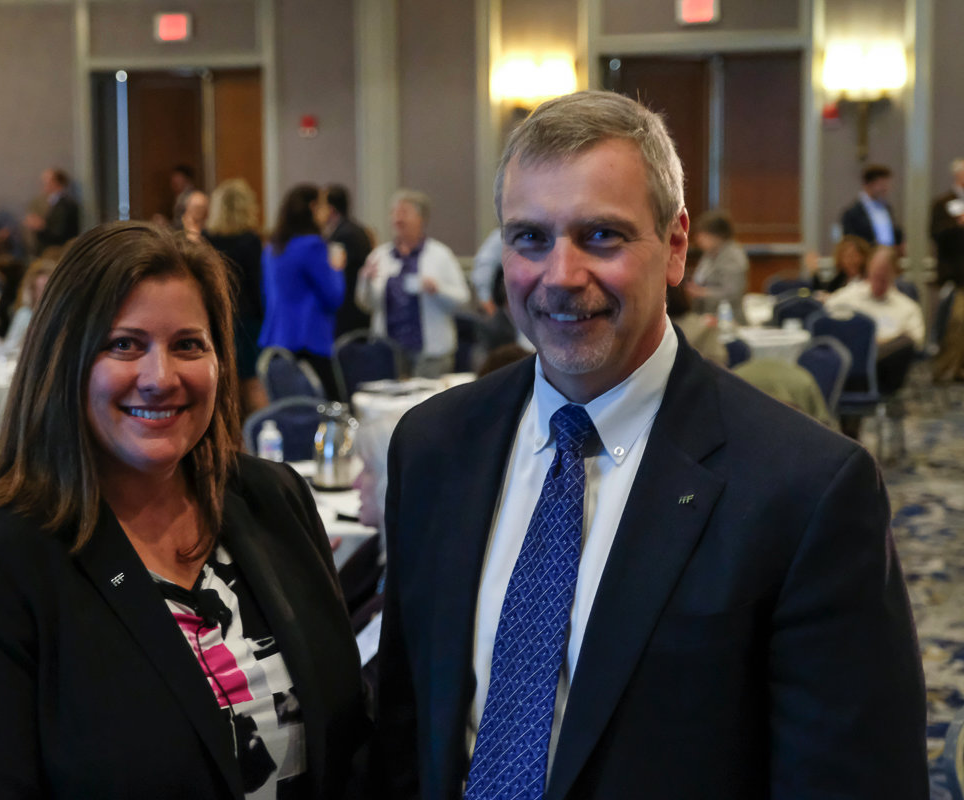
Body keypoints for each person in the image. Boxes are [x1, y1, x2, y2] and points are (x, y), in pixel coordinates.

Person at [372, 90, 926, 799]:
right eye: (530, 238)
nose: (561, 276)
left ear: (675, 247)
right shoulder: (433, 447)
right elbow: (404, 734)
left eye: (601, 235)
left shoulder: (806, 490)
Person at [0, 221, 367, 798]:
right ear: (63, 362)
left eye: (188, 345)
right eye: (124, 344)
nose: (160, 378)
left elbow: (351, 736)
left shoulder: (273, 499)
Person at [355, 190, 469, 378]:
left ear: (421, 219)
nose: (397, 218)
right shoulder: (380, 256)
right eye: (394, 213)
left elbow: (462, 299)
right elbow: (366, 304)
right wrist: (365, 280)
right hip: (389, 352)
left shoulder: (440, 255)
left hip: (431, 353)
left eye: (404, 212)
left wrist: (438, 290)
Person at [825, 246, 924, 436]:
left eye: (884, 276)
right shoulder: (849, 297)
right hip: (848, 371)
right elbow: (826, 314)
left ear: (894, 274)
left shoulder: (906, 307)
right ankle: (850, 435)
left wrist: (877, 344)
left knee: (904, 343)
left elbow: (916, 341)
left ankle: (850, 435)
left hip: (883, 375)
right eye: (875, 275)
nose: (878, 281)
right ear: (869, 270)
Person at [258, 184, 345, 397]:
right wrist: (337, 268)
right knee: (331, 406)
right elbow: (333, 297)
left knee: (289, 408)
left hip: (278, 338)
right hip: (309, 338)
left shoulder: (272, 248)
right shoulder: (312, 245)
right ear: (313, 207)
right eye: (324, 206)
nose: (328, 212)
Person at [204, 178, 267, 416]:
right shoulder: (250, 240)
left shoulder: (207, 237)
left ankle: (228, 432)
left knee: (224, 383)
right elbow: (256, 284)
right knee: (252, 383)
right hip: (247, 318)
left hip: (218, 315)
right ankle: (257, 430)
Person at [320, 184, 374, 336]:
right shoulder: (352, 229)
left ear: (331, 209)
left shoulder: (345, 235)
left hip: (350, 313)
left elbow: (337, 271)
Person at [687, 209, 748, 323]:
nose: (698, 239)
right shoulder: (709, 254)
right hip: (706, 317)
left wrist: (702, 292)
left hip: (729, 320)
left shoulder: (733, 256)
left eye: (703, 234)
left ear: (717, 235)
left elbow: (733, 293)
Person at [840, 163, 904, 250]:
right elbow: (852, 242)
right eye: (881, 185)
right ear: (868, 184)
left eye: (887, 185)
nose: (886, 189)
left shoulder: (887, 208)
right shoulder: (851, 213)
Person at [24, 168, 80, 256]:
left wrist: (41, 225)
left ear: (56, 182)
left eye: (46, 181)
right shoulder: (54, 202)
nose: (43, 184)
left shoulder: (65, 204)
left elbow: (60, 232)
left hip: (59, 252)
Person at [3, 257, 55, 350]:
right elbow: (9, 346)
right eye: (39, 289)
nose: (43, 295)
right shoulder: (24, 314)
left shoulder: (60, 316)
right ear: (31, 291)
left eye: (46, 289)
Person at [930, 157, 964, 286]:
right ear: (958, 175)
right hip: (953, 272)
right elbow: (935, 233)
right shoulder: (942, 203)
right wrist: (958, 224)